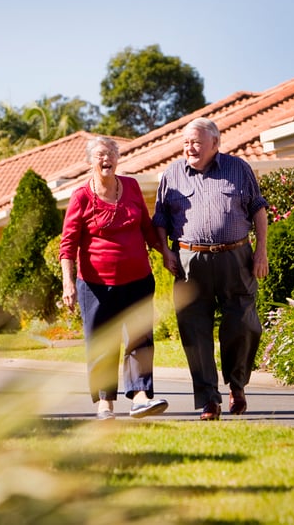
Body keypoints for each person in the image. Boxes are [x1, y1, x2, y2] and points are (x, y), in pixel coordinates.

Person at [152, 118, 269, 421]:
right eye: (186, 142)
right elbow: (161, 219)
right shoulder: (172, 175)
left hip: (236, 257)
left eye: (196, 142)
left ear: (215, 144)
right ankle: (209, 400)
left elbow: (258, 209)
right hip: (190, 260)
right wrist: (165, 251)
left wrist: (260, 251)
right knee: (193, 329)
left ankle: (237, 384)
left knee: (242, 322)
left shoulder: (238, 168)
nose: (190, 148)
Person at [60, 136, 170, 420]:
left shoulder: (131, 186)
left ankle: (141, 396)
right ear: (90, 160)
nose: (105, 158)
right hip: (95, 286)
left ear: (118, 158)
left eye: (110, 153)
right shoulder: (81, 196)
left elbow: (146, 227)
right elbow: (68, 244)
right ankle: (105, 402)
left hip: (138, 279)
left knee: (140, 338)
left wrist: (165, 253)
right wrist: (68, 282)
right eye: (99, 154)